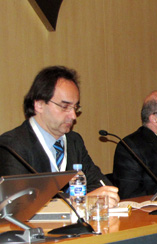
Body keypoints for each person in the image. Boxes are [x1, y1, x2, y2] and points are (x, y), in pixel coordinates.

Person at [0, 66, 119, 207]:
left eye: (75, 108)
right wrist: (82, 201)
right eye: (65, 107)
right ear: (39, 104)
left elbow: (100, 185)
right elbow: (18, 205)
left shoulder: (74, 141)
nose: (73, 116)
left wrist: (98, 196)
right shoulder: (12, 146)